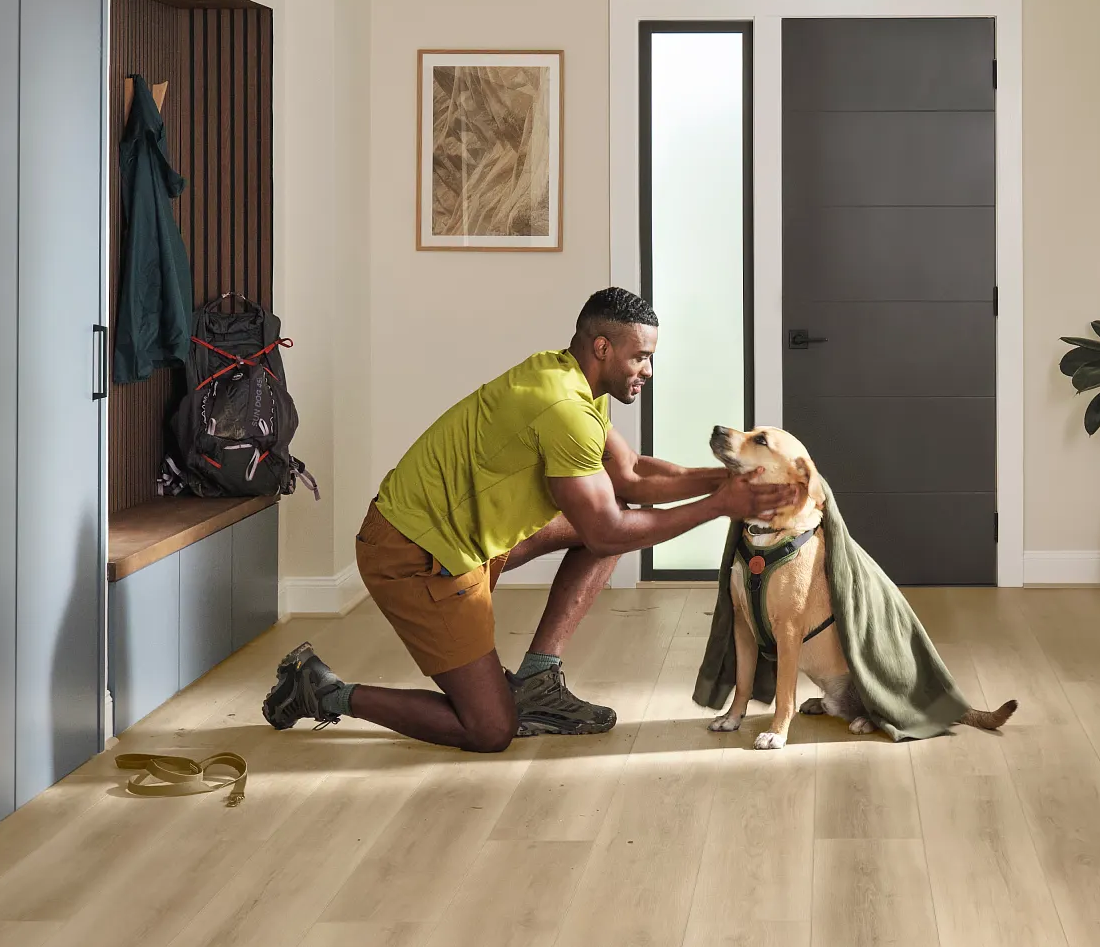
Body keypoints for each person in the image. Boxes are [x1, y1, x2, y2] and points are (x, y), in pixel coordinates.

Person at [259, 287, 787, 751]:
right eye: (642, 357)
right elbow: (606, 534)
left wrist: (725, 480)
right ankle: (323, 689)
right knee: (489, 730)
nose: (649, 370)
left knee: (611, 516)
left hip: (460, 537)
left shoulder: (570, 378)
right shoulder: (562, 409)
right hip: (415, 555)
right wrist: (722, 506)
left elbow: (628, 477)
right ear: (603, 348)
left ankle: (538, 680)